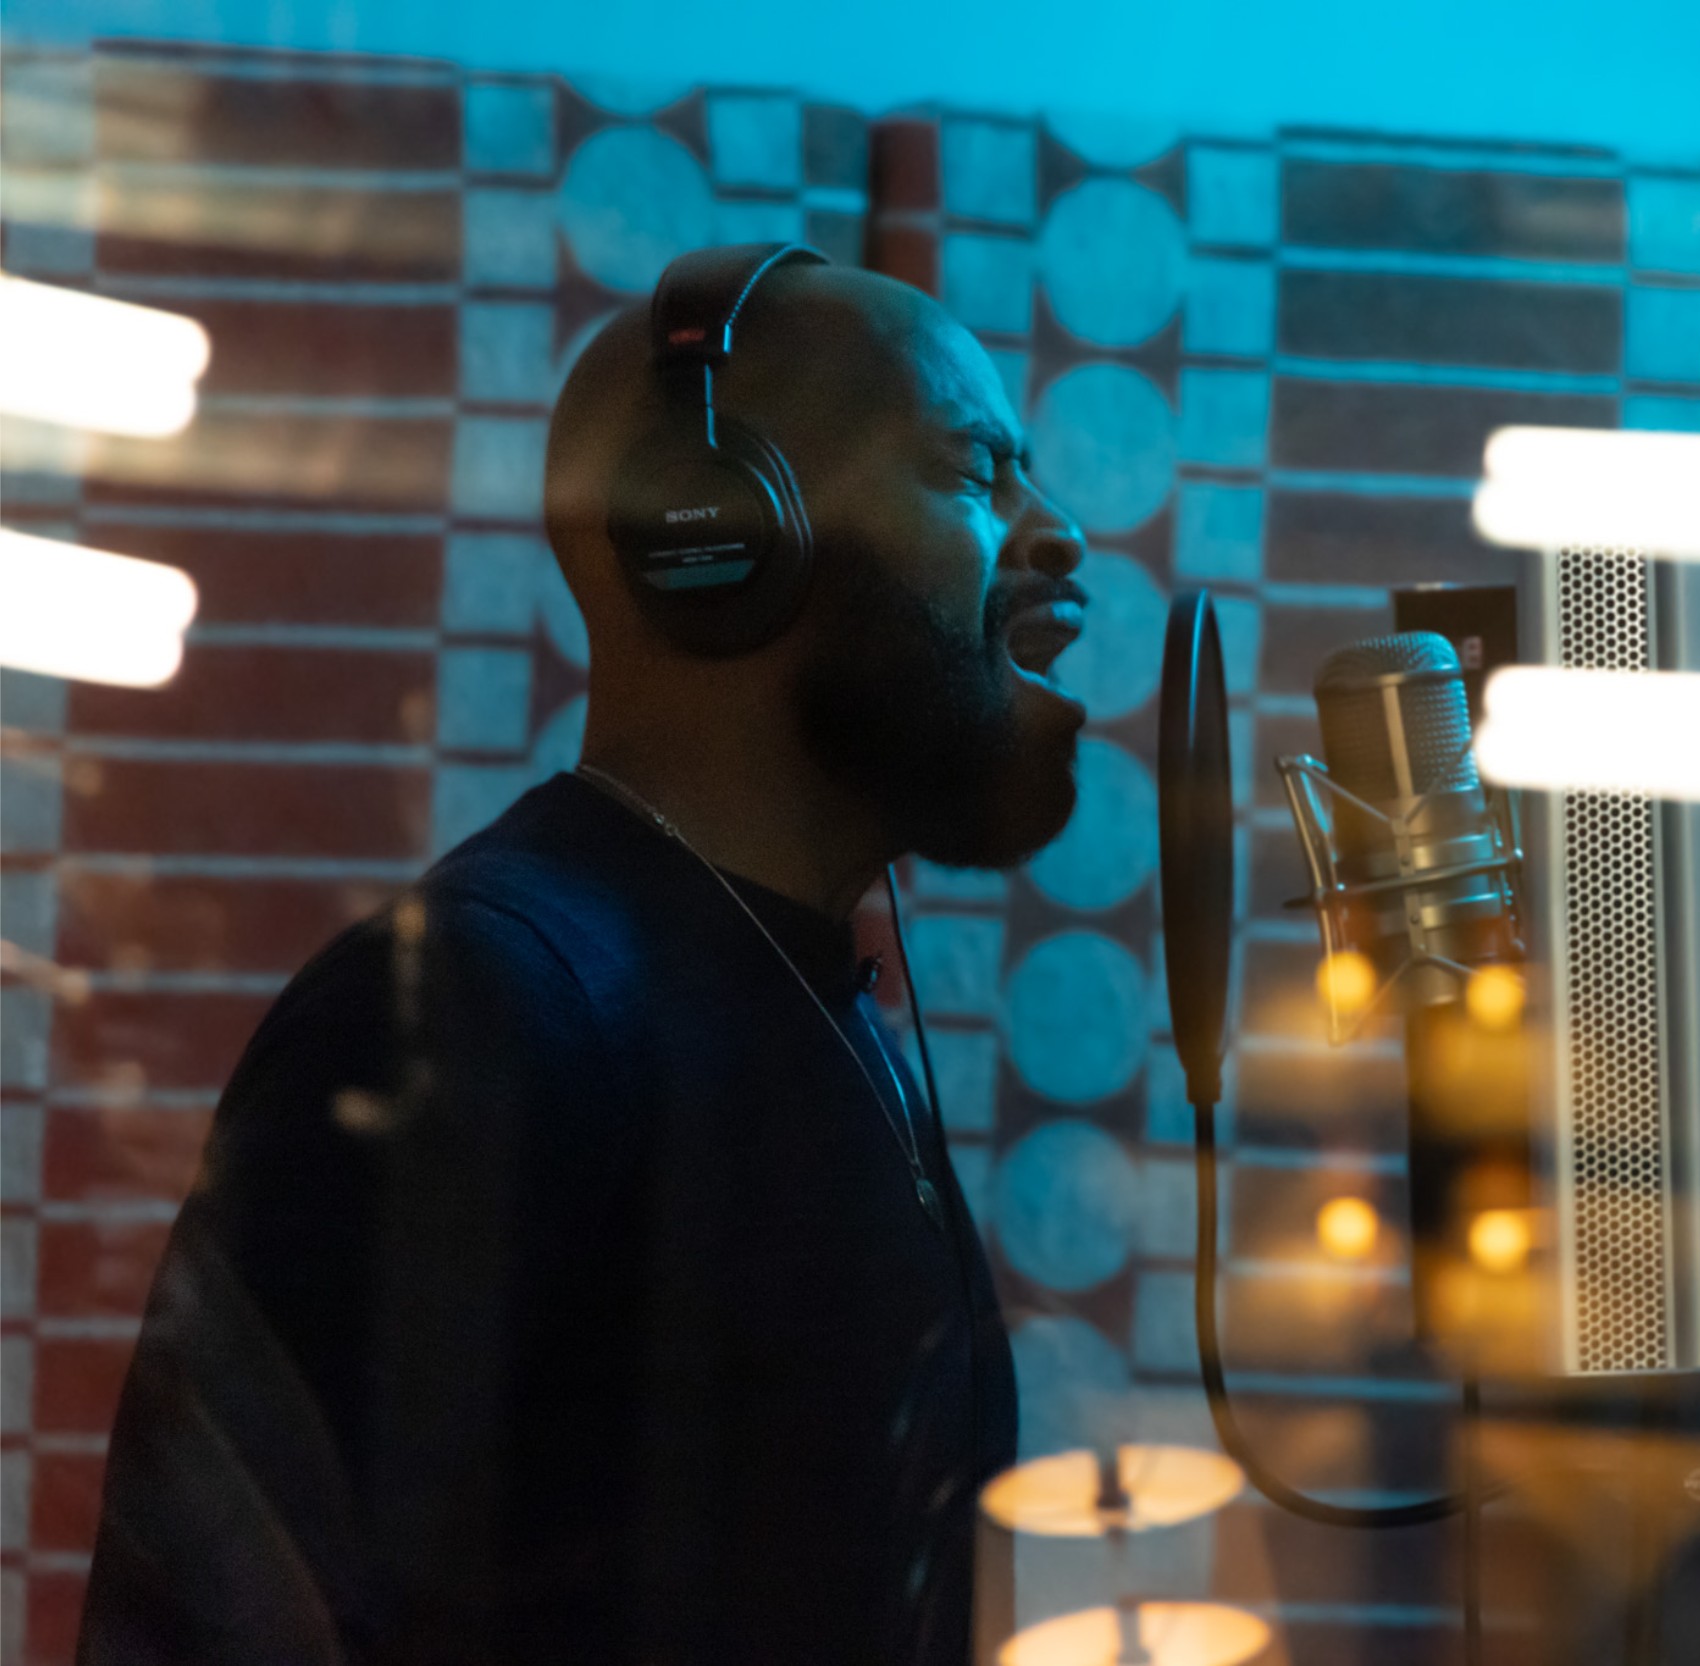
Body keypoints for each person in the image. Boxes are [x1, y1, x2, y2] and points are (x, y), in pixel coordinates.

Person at [78, 246, 1089, 1665]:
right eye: (980, 472)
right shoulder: (486, 1006)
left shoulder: (823, 1018)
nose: (1062, 537)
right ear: (721, 527)